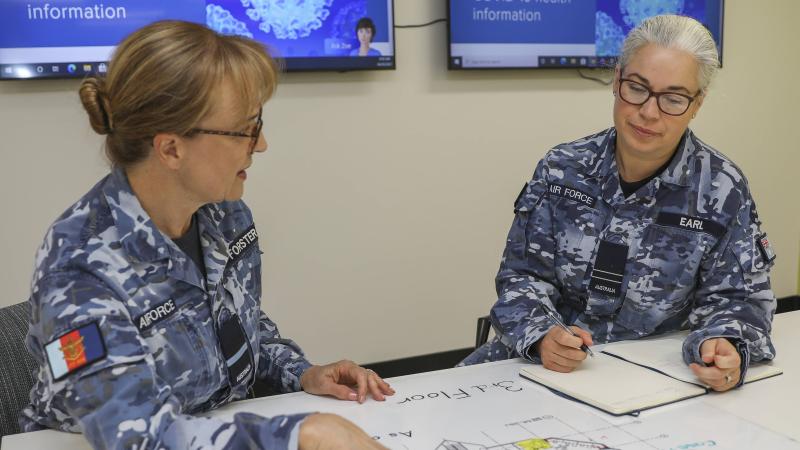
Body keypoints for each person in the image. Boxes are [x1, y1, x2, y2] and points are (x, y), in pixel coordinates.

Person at [20, 20, 392, 450]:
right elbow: (132, 436)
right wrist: (302, 436)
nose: (263, 144)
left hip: (214, 427)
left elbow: (238, 331)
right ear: (171, 148)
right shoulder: (76, 269)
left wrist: (301, 373)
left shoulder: (224, 215)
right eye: (246, 129)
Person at [460, 15, 777, 393]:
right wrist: (541, 334)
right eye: (637, 88)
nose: (649, 112)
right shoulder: (563, 168)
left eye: (673, 99)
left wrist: (723, 346)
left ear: (697, 104)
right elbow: (522, 276)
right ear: (616, 80)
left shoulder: (723, 189)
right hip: (543, 368)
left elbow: (740, 302)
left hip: (653, 380)